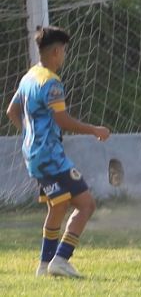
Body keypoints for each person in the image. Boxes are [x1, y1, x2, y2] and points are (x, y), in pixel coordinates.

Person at [5, 27, 111, 278]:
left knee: (58, 206)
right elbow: (62, 120)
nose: (64, 55)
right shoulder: (51, 82)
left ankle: (44, 265)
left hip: (33, 155)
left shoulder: (30, 75)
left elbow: (12, 111)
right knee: (86, 205)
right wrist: (94, 129)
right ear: (55, 51)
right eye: (63, 50)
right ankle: (61, 259)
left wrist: (30, 136)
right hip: (52, 157)